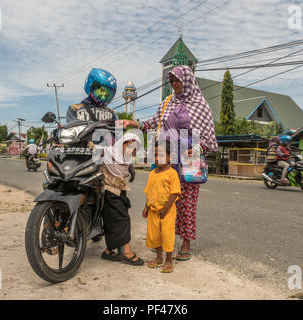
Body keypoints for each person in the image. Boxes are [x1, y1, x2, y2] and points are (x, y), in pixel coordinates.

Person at [124, 65, 218, 261]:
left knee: (187, 203)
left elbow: (209, 139)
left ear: (188, 81)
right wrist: (134, 124)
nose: (174, 84)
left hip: (189, 161)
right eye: (172, 81)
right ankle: (164, 241)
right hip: (166, 159)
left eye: (177, 80)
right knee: (163, 199)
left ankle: (185, 243)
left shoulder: (201, 105)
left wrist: (199, 148)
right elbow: (154, 123)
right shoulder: (167, 102)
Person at [88, 133, 144, 266]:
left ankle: (109, 251)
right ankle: (126, 251)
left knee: (113, 220)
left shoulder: (126, 158)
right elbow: (93, 148)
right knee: (122, 219)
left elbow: (127, 165)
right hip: (108, 190)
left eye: (134, 148)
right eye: (129, 146)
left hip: (120, 190)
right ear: (123, 143)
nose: (131, 150)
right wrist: (89, 144)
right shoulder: (108, 152)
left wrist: (131, 169)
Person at [143, 140, 181, 273]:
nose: (157, 158)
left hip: (167, 212)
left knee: (167, 235)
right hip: (153, 211)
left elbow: (175, 192)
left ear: (170, 156)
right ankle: (159, 258)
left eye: (161, 155)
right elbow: (149, 191)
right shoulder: (152, 173)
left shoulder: (172, 173)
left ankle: (168, 260)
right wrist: (146, 207)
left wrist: (165, 209)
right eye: (155, 155)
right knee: (155, 236)